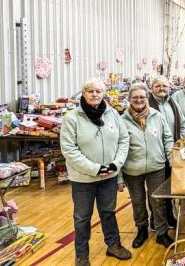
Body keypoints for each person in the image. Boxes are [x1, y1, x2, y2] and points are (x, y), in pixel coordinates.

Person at [60, 78, 131, 266]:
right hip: (83, 179)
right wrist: (94, 169)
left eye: (98, 91)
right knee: (82, 218)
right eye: (90, 91)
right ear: (83, 94)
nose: (94, 94)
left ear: (103, 93)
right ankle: (81, 255)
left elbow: (124, 139)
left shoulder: (113, 114)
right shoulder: (72, 118)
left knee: (108, 212)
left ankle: (113, 245)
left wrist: (116, 163)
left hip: (109, 176)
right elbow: (69, 150)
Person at [119, 83, 174, 249]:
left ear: (147, 98)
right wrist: (119, 176)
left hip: (156, 166)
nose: (139, 100)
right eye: (135, 97)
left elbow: (167, 139)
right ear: (129, 99)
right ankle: (141, 230)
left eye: (142, 97)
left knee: (157, 201)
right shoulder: (122, 120)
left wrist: (171, 160)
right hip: (132, 169)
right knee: (138, 201)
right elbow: (118, 148)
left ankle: (161, 232)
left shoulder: (157, 116)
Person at [148, 75, 185, 230]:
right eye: (158, 86)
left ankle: (170, 217)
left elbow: (182, 124)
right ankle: (155, 220)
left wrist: (182, 141)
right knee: (155, 190)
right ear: (152, 88)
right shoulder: (147, 105)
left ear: (169, 88)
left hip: (173, 152)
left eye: (164, 86)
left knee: (171, 187)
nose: (162, 89)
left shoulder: (173, 103)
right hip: (156, 153)